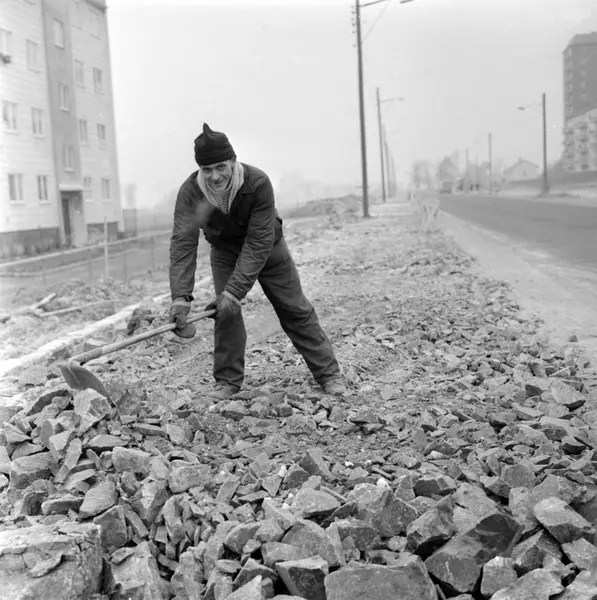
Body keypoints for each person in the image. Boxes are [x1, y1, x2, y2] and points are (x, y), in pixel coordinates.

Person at [168, 123, 346, 400]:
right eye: (207, 169)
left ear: (233, 161)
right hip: (225, 252)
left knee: (294, 309)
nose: (214, 176)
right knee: (226, 315)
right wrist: (180, 297)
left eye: (220, 167)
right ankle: (227, 381)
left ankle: (329, 375)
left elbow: (258, 242)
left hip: (269, 249)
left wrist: (234, 292)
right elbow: (183, 242)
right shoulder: (190, 192)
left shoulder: (257, 183)